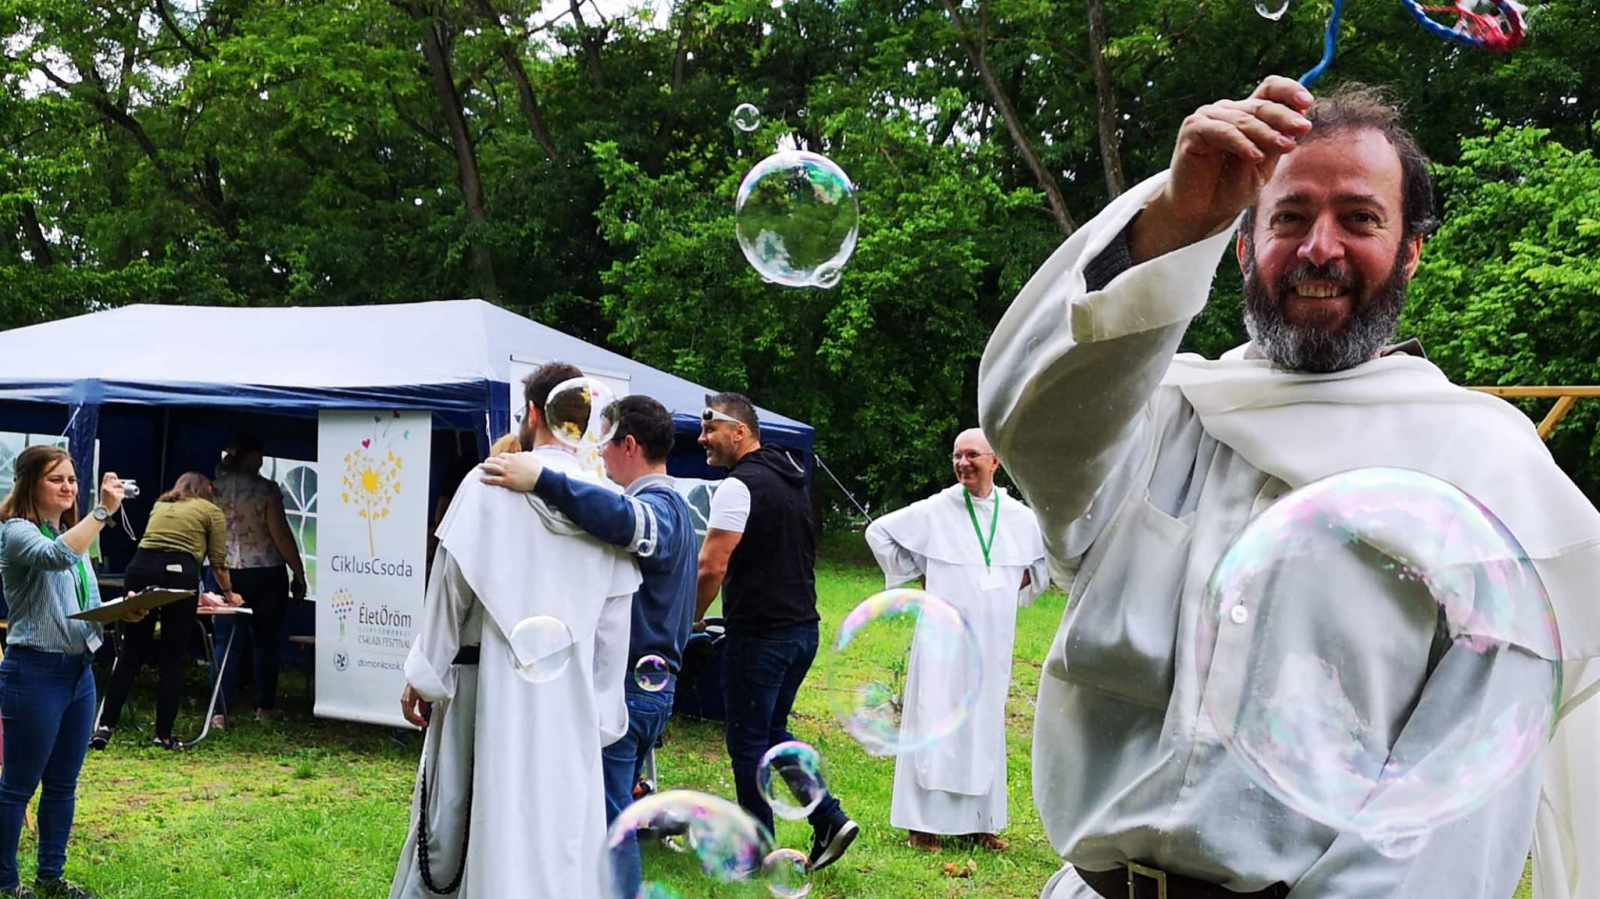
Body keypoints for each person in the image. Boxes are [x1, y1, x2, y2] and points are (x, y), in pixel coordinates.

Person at [978, 78, 1600, 899]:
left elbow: (1448, 816)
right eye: (1289, 216)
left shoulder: (1489, 474)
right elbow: (1023, 415)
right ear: (1242, 246)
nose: (1319, 247)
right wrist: (1174, 215)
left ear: (1411, 251)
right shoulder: (1159, 414)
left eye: (1360, 218)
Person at [388, 362, 640, 899]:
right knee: (556, 834)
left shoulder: (486, 485)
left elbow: (448, 591)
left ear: (531, 413)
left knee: (462, 818)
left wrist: (425, 674)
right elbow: (613, 630)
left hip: (482, 692)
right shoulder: (606, 507)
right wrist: (597, 715)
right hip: (568, 702)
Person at [479, 394, 696, 898]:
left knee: (609, 821)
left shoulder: (659, 509)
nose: (597, 452)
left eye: (605, 442)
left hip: (630, 690)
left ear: (629, 445)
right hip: (651, 688)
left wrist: (544, 479)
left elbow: (623, 520)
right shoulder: (679, 508)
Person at [864, 428, 1048, 853]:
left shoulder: (1019, 517)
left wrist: (1010, 585)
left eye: (972, 456)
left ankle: (980, 823)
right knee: (933, 715)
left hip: (992, 641)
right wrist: (921, 571)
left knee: (982, 724)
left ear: (994, 461)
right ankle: (921, 825)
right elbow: (880, 533)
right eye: (956, 456)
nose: (963, 463)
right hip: (941, 640)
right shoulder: (937, 509)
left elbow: (1043, 563)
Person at [695, 392, 858, 871]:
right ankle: (829, 819)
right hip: (802, 630)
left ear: (739, 432)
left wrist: (688, 618)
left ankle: (754, 850)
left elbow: (711, 564)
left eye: (710, 429)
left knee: (747, 742)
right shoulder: (790, 477)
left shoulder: (738, 485)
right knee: (770, 733)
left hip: (761, 635)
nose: (702, 438)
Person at [0, 446, 143, 899]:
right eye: (56, 479)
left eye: (72, 480)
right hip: (33, 671)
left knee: (63, 783)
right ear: (30, 484)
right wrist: (102, 512)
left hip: (78, 673)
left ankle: (51, 877)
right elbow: (55, 558)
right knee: (18, 785)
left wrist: (123, 611)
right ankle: (5, 880)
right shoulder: (15, 532)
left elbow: (84, 603)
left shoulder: (70, 534)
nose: (68, 488)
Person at [91, 472, 242, 750]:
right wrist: (230, 594)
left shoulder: (161, 503)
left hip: (139, 567)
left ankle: (104, 727)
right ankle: (162, 735)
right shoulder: (211, 510)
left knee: (130, 653)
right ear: (207, 489)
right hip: (179, 572)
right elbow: (218, 563)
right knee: (172, 657)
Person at [211, 432, 307, 728]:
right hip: (265, 571)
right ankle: (264, 708)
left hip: (223, 570)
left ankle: (218, 712)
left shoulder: (213, 489)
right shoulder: (266, 490)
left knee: (225, 642)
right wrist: (298, 572)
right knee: (265, 640)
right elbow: (281, 534)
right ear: (253, 456)